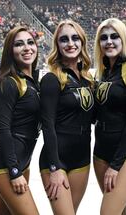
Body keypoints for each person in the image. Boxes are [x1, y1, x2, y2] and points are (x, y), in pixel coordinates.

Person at [93, 18, 126, 215]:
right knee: (119, 210)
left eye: (114, 36)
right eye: (104, 37)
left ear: (123, 39)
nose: (109, 41)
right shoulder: (102, 74)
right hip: (100, 152)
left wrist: (116, 166)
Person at [39, 19, 94, 215]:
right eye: (64, 39)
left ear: (82, 42)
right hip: (56, 159)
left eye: (75, 38)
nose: (70, 43)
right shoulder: (52, 79)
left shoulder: (87, 79)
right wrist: (55, 167)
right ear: (57, 45)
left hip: (82, 159)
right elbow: (47, 125)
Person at [0, 26, 41, 214]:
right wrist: (14, 171)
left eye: (30, 42)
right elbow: (3, 128)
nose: (26, 48)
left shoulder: (33, 81)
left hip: (22, 162)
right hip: (6, 165)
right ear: (11, 51)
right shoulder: (10, 82)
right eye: (19, 44)